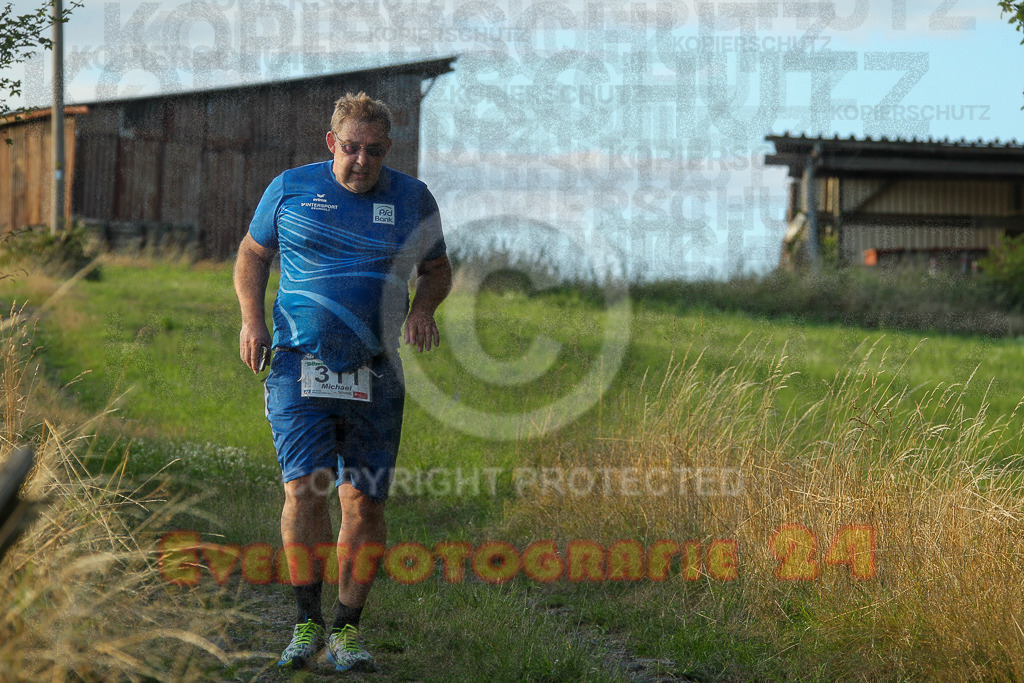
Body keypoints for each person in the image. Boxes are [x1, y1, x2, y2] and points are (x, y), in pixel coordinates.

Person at [233, 91, 451, 672]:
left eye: (374, 151)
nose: (361, 161)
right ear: (332, 143)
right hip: (298, 364)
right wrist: (253, 319)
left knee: (363, 504)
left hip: (375, 373)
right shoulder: (290, 189)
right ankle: (306, 622)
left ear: (387, 150)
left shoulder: (412, 200)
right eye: (351, 148)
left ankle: (346, 630)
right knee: (305, 489)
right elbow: (252, 255)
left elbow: (436, 271)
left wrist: (424, 310)